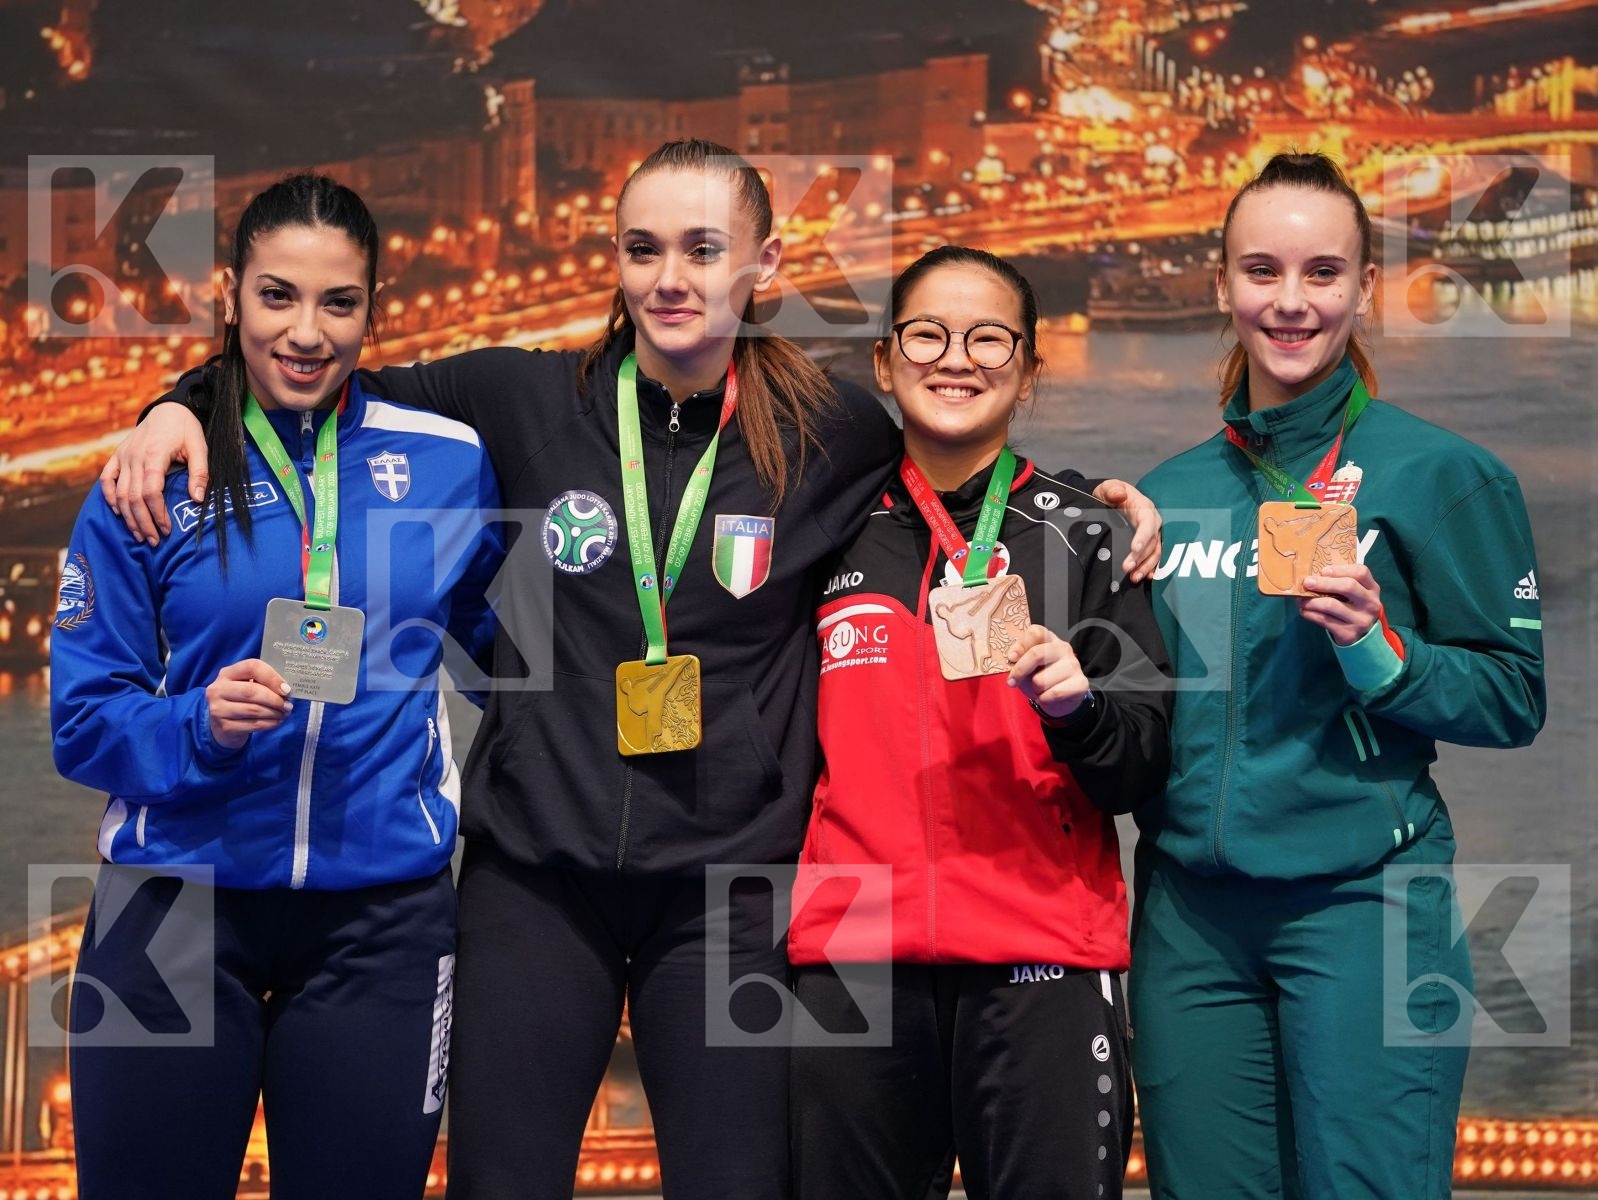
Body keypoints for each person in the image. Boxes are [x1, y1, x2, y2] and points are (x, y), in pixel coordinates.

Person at [97, 140, 1164, 1198]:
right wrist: (181, 401)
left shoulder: (828, 430)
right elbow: (322, 371)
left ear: (764, 263)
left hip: (728, 892)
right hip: (534, 882)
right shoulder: (517, 400)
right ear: (612, 259)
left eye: (703, 250)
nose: (670, 278)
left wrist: (1093, 504)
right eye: (642, 248)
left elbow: (958, 458)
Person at [51, 174, 503, 1200]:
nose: (306, 332)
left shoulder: (446, 463)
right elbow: (83, 720)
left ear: (373, 310)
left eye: (338, 303)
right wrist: (195, 726)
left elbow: (512, 653)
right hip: (172, 912)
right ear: (231, 297)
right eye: (277, 297)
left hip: (379, 925)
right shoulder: (150, 475)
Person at [1130, 152, 1547, 1200]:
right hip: (1189, 922)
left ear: (1365, 289)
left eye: (1321, 273)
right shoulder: (1167, 492)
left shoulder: (1438, 473)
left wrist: (1377, 646)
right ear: (1221, 283)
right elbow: (1148, 717)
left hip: (1365, 903)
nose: (1288, 302)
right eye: (1260, 270)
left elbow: (1510, 697)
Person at [787, 246, 1172, 1200]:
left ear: (1029, 369)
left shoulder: (1086, 533)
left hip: (1039, 958)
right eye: (926, 334)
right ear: (884, 361)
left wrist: (1079, 709)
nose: (955, 358)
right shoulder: (822, 528)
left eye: (989, 337)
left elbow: (1143, 767)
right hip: (855, 964)